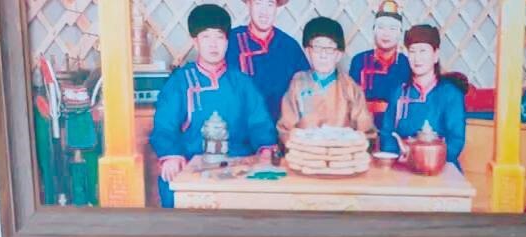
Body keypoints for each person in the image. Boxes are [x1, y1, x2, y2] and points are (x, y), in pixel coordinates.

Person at [149, 4, 277, 207]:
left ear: (227, 41)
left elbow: (260, 122)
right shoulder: (180, 81)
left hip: (238, 165)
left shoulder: (242, 82)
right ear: (195, 41)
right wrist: (172, 156)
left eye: (219, 37)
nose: (213, 44)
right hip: (192, 164)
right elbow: (164, 127)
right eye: (206, 37)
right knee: (171, 182)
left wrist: (265, 150)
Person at [380, 24, 466, 167]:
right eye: (412, 51)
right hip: (403, 166)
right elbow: (386, 133)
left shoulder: (451, 94)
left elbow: (456, 141)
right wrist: (400, 155)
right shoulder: (399, 92)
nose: (417, 58)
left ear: (435, 55)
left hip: (439, 167)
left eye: (423, 51)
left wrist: (427, 158)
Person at [278, 19, 375, 143]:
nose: (323, 55)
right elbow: (285, 129)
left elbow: (367, 132)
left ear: (339, 54)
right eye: (317, 47)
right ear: (307, 52)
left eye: (329, 48)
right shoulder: (298, 83)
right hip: (305, 151)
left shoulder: (350, 87)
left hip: (342, 152)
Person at [228, 0, 308, 124]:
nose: (264, 12)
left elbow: (306, 89)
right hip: (238, 127)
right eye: (258, 3)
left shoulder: (289, 46)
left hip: (280, 128)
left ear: (276, 7)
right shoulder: (231, 41)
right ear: (249, 4)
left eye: (270, 4)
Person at [348, 1, 411, 133]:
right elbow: (351, 100)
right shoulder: (359, 61)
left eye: (392, 29)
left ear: (400, 33)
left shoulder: (407, 63)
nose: (386, 34)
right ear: (373, 30)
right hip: (363, 130)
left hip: (397, 131)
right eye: (381, 27)